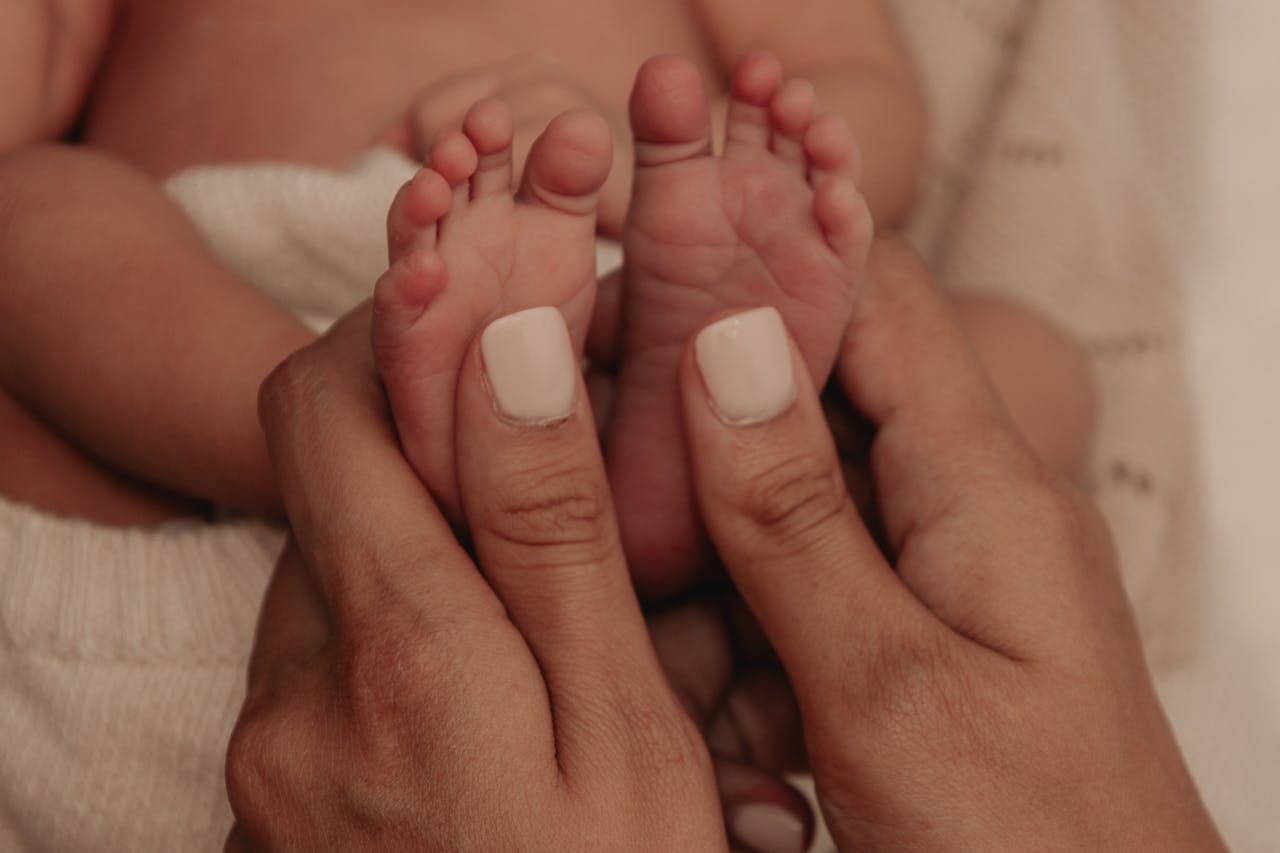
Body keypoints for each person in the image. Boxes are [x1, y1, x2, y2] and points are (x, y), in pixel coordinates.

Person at [0, 1, 1094, 596]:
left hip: (638, 270)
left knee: (1025, 366)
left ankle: (698, 483)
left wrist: (669, 164)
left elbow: (867, 107)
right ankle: (356, 448)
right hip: (244, 312)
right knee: (28, 214)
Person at [231, 235, 1225, 851]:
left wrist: (677, 177)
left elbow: (867, 87)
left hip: (653, 285)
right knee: (91, 260)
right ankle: (399, 429)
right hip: (302, 280)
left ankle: (581, 436)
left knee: (1033, 360)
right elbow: (68, 197)